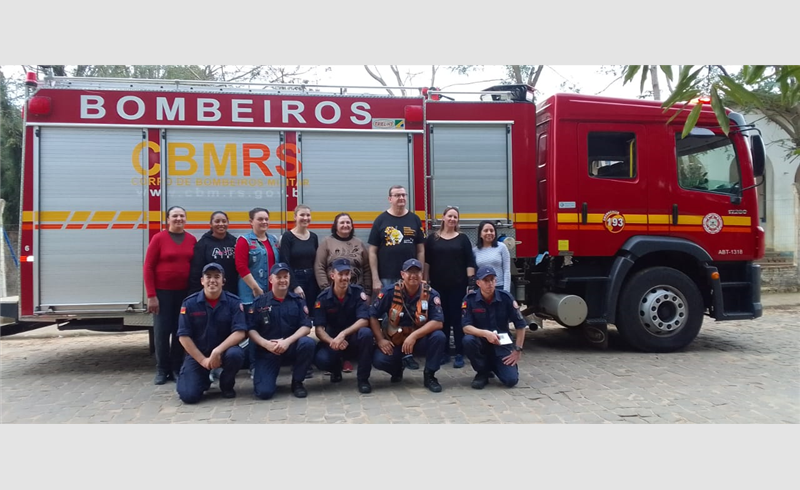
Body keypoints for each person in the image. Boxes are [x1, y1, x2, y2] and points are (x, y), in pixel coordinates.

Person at [369, 258, 445, 393]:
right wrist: (380, 339)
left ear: (421, 275)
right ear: (402, 274)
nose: (413, 276)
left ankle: (430, 376)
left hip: (419, 340)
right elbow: (373, 315)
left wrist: (414, 336)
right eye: (409, 272)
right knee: (379, 360)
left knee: (439, 337)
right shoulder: (389, 292)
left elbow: (438, 322)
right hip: (396, 340)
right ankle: (397, 369)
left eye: (417, 272)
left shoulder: (431, 294)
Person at [176, 263, 246, 403]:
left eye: (217, 277)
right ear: (202, 280)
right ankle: (203, 379)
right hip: (198, 354)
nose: (212, 280)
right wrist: (203, 360)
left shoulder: (234, 302)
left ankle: (226, 385)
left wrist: (217, 351)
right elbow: (183, 336)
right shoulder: (189, 303)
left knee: (236, 354)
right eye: (208, 277)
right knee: (189, 396)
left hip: (225, 352)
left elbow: (240, 332)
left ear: (223, 281)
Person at [144, 205, 198, 385]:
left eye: (182, 216)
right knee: (161, 331)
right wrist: (151, 295)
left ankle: (176, 368)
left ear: (186, 219)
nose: (178, 219)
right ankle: (162, 369)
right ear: (167, 220)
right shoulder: (159, 238)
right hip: (162, 294)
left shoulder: (191, 239)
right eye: (175, 216)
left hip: (184, 293)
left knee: (179, 331)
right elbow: (148, 267)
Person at [247, 263, 315, 399]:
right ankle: (268, 377)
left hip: (290, 348)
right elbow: (250, 329)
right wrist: (266, 344)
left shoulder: (297, 301)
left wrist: (287, 342)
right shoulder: (260, 302)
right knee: (264, 393)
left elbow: (306, 327)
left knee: (307, 343)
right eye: (279, 277)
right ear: (271, 279)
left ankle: (297, 382)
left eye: (285, 276)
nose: (283, 280)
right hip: (268, 351)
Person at [424, 206, 476, 369]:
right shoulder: (432, 239)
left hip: (458, 287)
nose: (452, 219)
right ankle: (444, 352)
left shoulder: (463, 239)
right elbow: (427, 263)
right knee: (441, 320)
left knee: (458, 320)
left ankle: (459, 353)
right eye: (450, 216)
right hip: (438, 287)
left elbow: (469, 262)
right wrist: (425, 282)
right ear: (443, 218)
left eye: (455, 217)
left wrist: (471, 284)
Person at [312, 258, 375, 394]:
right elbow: (318, 329)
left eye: (347, 274)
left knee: (366, 334)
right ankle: (335, 369)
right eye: (340, 274)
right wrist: (333, 341)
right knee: (321, 359)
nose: (344, 278)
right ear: (332, 276)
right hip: (333, 341)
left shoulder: (358, 293)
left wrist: (343, 334)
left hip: (353, 339)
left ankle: (363, 379)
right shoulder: (322, 298)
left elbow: (364, 320)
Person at [462, 266, 528, 390]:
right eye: (486, 280)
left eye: (492, 280)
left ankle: (494, 365)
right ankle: (483, 372)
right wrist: (485, 333)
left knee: (510, 380)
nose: (490, 284)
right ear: (478, 283)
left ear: (496, 281)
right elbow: (466, 327)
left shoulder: (506, 298)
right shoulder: (470, 300)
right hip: (480, 341)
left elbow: (521, 325)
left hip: (501, 343)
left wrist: (518, 350)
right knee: (468, 340)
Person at [367, 185, 425, 299]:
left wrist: (420, 274)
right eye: (397, 195)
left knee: (411, 311)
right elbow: (372, 251)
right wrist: (375, 279)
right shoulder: (380, 220)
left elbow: (421, 250)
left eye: (403, 195)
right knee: (387, 312)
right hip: (386, 277)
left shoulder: (415, 219)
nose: (401, 198)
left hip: (411, 276)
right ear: (390, 199)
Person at [315, 212, 372, 292]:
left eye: (348, 222)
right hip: (333, 292)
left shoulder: (359, 243)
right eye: (342, 222)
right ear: (335, 226)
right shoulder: (326, 243)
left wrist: (368, 292)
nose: (345, 225)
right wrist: (326, 290)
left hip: (356, 292)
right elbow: (319, 267)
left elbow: (367, 269)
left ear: (352, 226)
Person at [235, 207, 281, 306]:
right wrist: (255, 288)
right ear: (251, 222)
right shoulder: (244, 240)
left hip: (271, 294)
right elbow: (241, 267)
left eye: (266, 219)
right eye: (260, 219)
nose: (264, 222)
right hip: (250, 295)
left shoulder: (274, 240)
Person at [280, 204, 320, 312]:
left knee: (312, 311)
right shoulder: (287, 237)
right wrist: (295, 285)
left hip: (312, 279)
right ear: (295, 217)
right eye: (302, 215)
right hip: (295, 278)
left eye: (308, 215)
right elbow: (285, 262)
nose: (305, 218)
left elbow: (316, 261)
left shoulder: (313, 237)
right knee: (297, 310)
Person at [188, 211, 238, 295]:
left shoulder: (234, 242)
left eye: (224, 221)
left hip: (232, 291)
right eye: (217, 221)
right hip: (210, 291)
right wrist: (196, 294)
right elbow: (196, 272)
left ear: (228, 223)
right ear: (211, 224)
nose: (221, 224)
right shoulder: (203, 244)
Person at [473, 220, 511, 293]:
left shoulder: (502, 247)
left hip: (499, 287)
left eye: (491, 230)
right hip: (483, 289)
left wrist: (506, 291)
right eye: (486, 230)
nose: (489, 233)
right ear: (480, 234)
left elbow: (507, 271)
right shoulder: (474, 251)